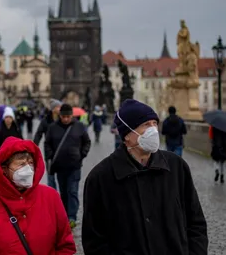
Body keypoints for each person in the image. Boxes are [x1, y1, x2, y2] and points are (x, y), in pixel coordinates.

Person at [82, 99, 208, 254]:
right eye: (146, 125)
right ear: (127, 134)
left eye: (155, 123)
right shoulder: (100, 178)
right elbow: (94, 240)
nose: (153, 130)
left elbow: (196, 223)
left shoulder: (176, 167)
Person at [0, 137, 76, 254]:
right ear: (4, 169)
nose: (28, 169)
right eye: (21, 164)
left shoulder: (50, 197)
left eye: (30, 163)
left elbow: (65, 245)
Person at [45, 103, 91, 229]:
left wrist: (82, 155)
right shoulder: (53, 127)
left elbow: (87, 142)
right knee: (64, 192)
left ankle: (72, 217)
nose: (66, 119)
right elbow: (47, 143)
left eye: (68, 116)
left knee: (73, 191)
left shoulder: (79, 126)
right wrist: (50, 156)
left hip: (74, 165)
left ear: (72, 116)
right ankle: (64, 215)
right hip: (60, 166)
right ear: (60, 116)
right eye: (63, 116)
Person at [33, 99, 62, 189]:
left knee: (61, 177)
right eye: (58, 107)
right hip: (49, 151)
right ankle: (53, 195)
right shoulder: (46, 120)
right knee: (51, 176)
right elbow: (38, 134)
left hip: (62, 150)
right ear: (53, 109)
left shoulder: (63, 119)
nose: (60, 109)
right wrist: (34, 147)